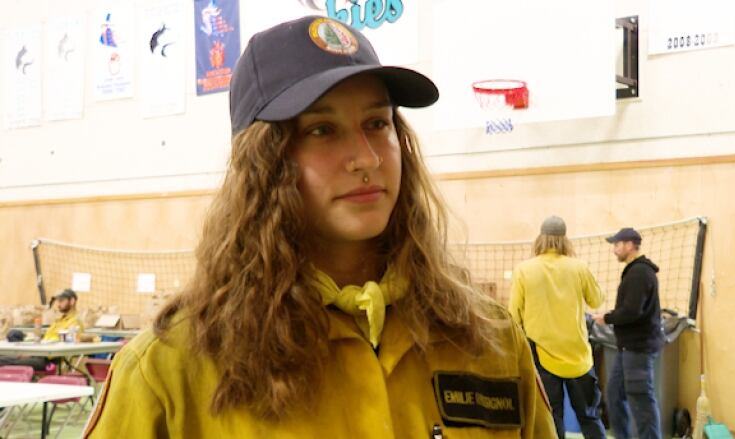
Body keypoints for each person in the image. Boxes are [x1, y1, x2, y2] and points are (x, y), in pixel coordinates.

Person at [85, 16, 556, 438]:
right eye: (321, 130)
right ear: (265, 162)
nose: (367, 158)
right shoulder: (171, 367)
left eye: (377, 123)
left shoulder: (488, 337)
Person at [509, 216, 606, 439]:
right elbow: (597, 300)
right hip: (579, 357)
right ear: (565, 240)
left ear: (540, 239)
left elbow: (513, 315)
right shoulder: (579, 268)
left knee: (552, 419)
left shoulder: (524, 270)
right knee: (589, 416)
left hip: (542, 358)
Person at [593, 227, 663, 439]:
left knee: (641, 400)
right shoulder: (635, 271)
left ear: (630, 245)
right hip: (628, 348)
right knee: (614, 395)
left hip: (638, 348)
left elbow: (632, 310)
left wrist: (607, 318)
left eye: (617, 244)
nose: (614, 249)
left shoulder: (640, 273)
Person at [0, 288, 84, 370]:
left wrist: (34, 353)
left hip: (49, 360)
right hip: (38, 354)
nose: (58, 304)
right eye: (58, 301)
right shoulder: (58, 321)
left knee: (5, 362)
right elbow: (46, 339)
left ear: (72, 301)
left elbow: (68, 343)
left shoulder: (75, 322)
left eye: (61, 301)